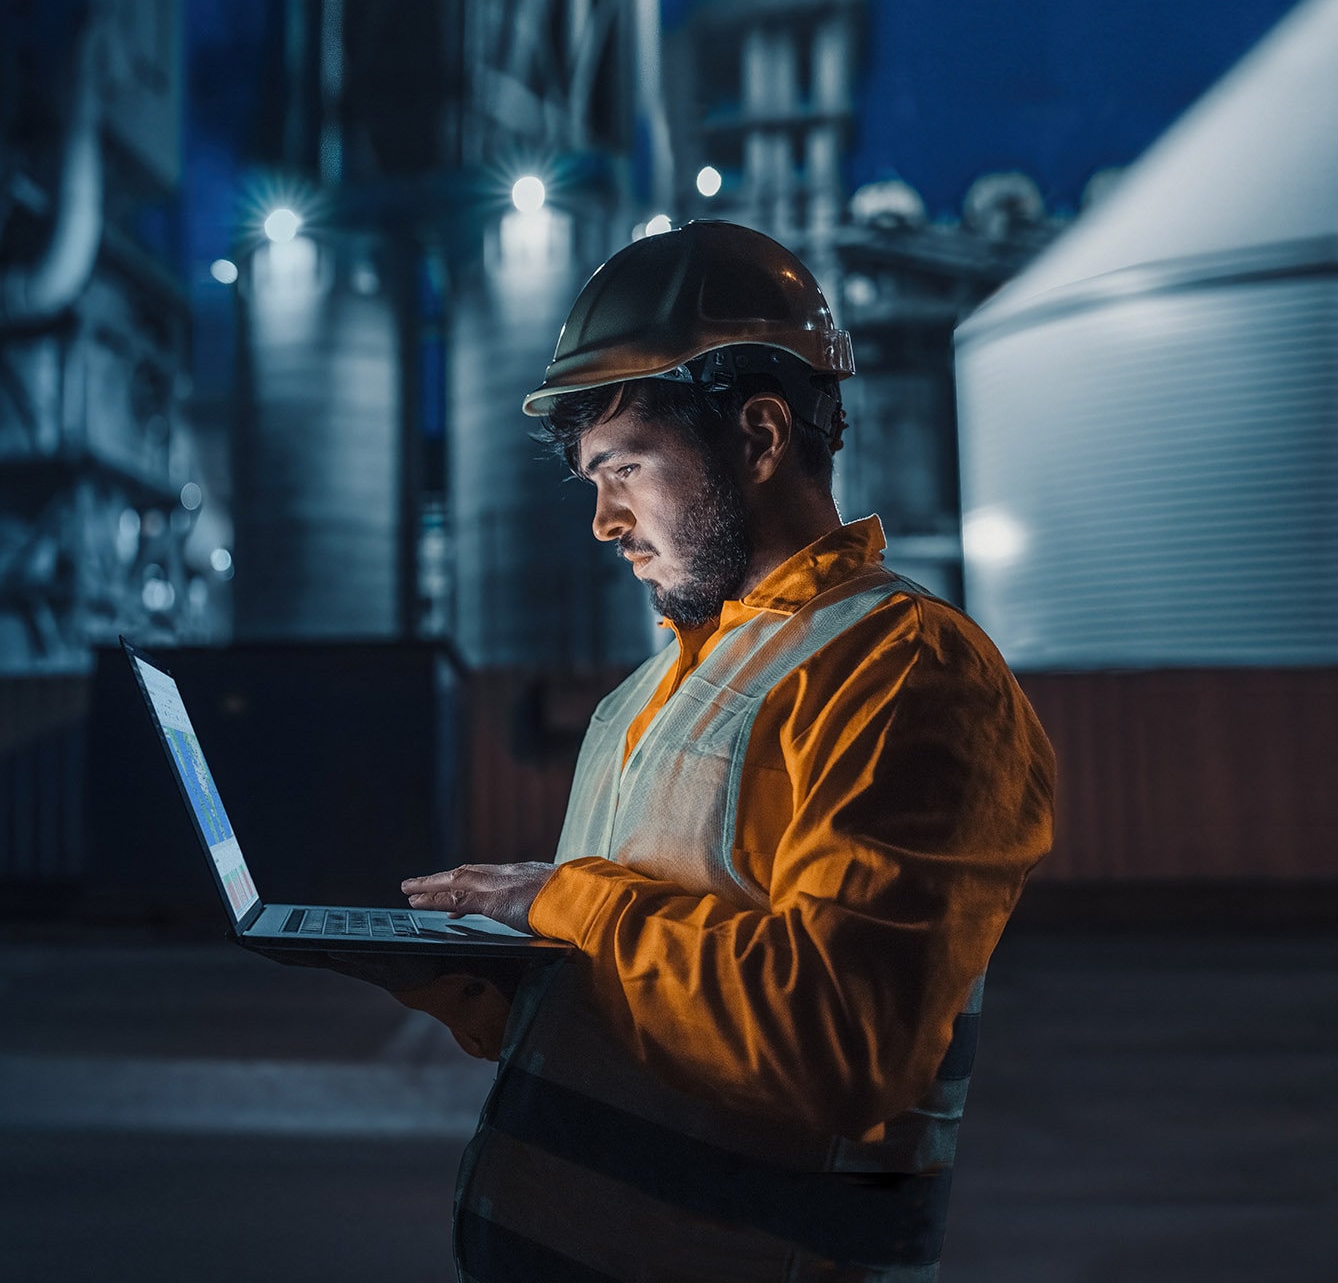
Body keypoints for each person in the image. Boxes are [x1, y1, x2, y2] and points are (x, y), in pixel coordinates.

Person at [384, 221, 1056, 1280]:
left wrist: (561, 902)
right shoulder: (643, 696)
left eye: (622, 470)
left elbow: (835, 1041)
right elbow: (654, 991)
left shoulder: (906, 674)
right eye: (587, 482)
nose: (603, 522)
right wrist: (509, 987)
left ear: (755, 436)